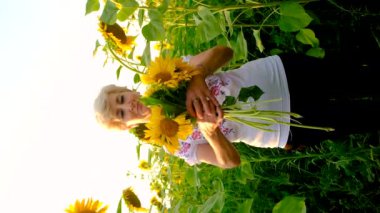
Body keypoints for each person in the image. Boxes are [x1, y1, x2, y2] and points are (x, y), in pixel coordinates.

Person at [94, 45, 380, 169]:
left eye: (121, 99)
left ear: (127, 89)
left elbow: (224, 52)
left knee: (355, 76)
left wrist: (196, 77)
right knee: (361, 118)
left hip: (281, 74)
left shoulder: (170, 77)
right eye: (121, 114)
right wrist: (211, 133)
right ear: (125, 127)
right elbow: (230, 161)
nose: (127, 106)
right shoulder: (174, 144)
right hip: (284, 128)